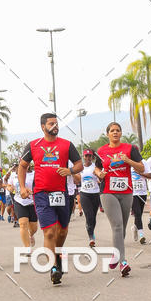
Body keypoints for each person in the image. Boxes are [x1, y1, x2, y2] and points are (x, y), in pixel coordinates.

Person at [19, 114, 82, 285]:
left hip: (62, 194)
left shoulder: (66, 145)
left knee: (62, 232)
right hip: (41, 194)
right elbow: (22, 166)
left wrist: (70, 171)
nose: (55, 126)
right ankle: (54, 267)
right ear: (42, 126)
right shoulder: (33, 145)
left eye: (56, 123)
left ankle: (57, 255)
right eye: (51, 123)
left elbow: (79, 164)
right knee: (49, 232)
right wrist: (23, 187)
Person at [96, 123, 145, 277]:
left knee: (122, 227)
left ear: (121, 133)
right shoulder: (101, 151)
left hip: (126, 191)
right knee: (117, 225)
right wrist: (99, 174)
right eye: (112, 131)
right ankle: (122, 261)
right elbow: (96, 168)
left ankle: (115, 253)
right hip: (107, 191)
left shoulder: (130, 149)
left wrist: (128, 161)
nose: (115, 133)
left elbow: (141, 168)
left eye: (118, 130)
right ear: (108, 134)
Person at [11, 161, 38, 251]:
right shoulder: (14, 175)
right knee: (23, 224)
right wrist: (9, 187)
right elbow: (8, 185)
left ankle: (30, 235)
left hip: (32, 202)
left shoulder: (34, 174)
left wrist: (32, 191)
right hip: (19, 202)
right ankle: (27, 248)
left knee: (34, 228)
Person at [77, 150, 102, 247]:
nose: (88, 158)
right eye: (86, 156)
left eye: (90, 156)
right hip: (84, 194)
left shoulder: (95, 167)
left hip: (95, 193)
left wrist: (99, 175)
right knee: (89, 216)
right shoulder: (80, 168)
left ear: (92, 157)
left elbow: (100, 178)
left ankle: (91, 231)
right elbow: (77, 180)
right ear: (83, 156)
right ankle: (91, 237)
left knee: (93, 217)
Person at [131, 165, 150, 245]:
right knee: (137, 214)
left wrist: (139, 172)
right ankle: (141, 235)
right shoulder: (128, 165)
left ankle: (135, 227)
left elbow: (149, 176)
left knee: (139, 214)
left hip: (143, 193)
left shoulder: (144, 163)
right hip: (133, 194)